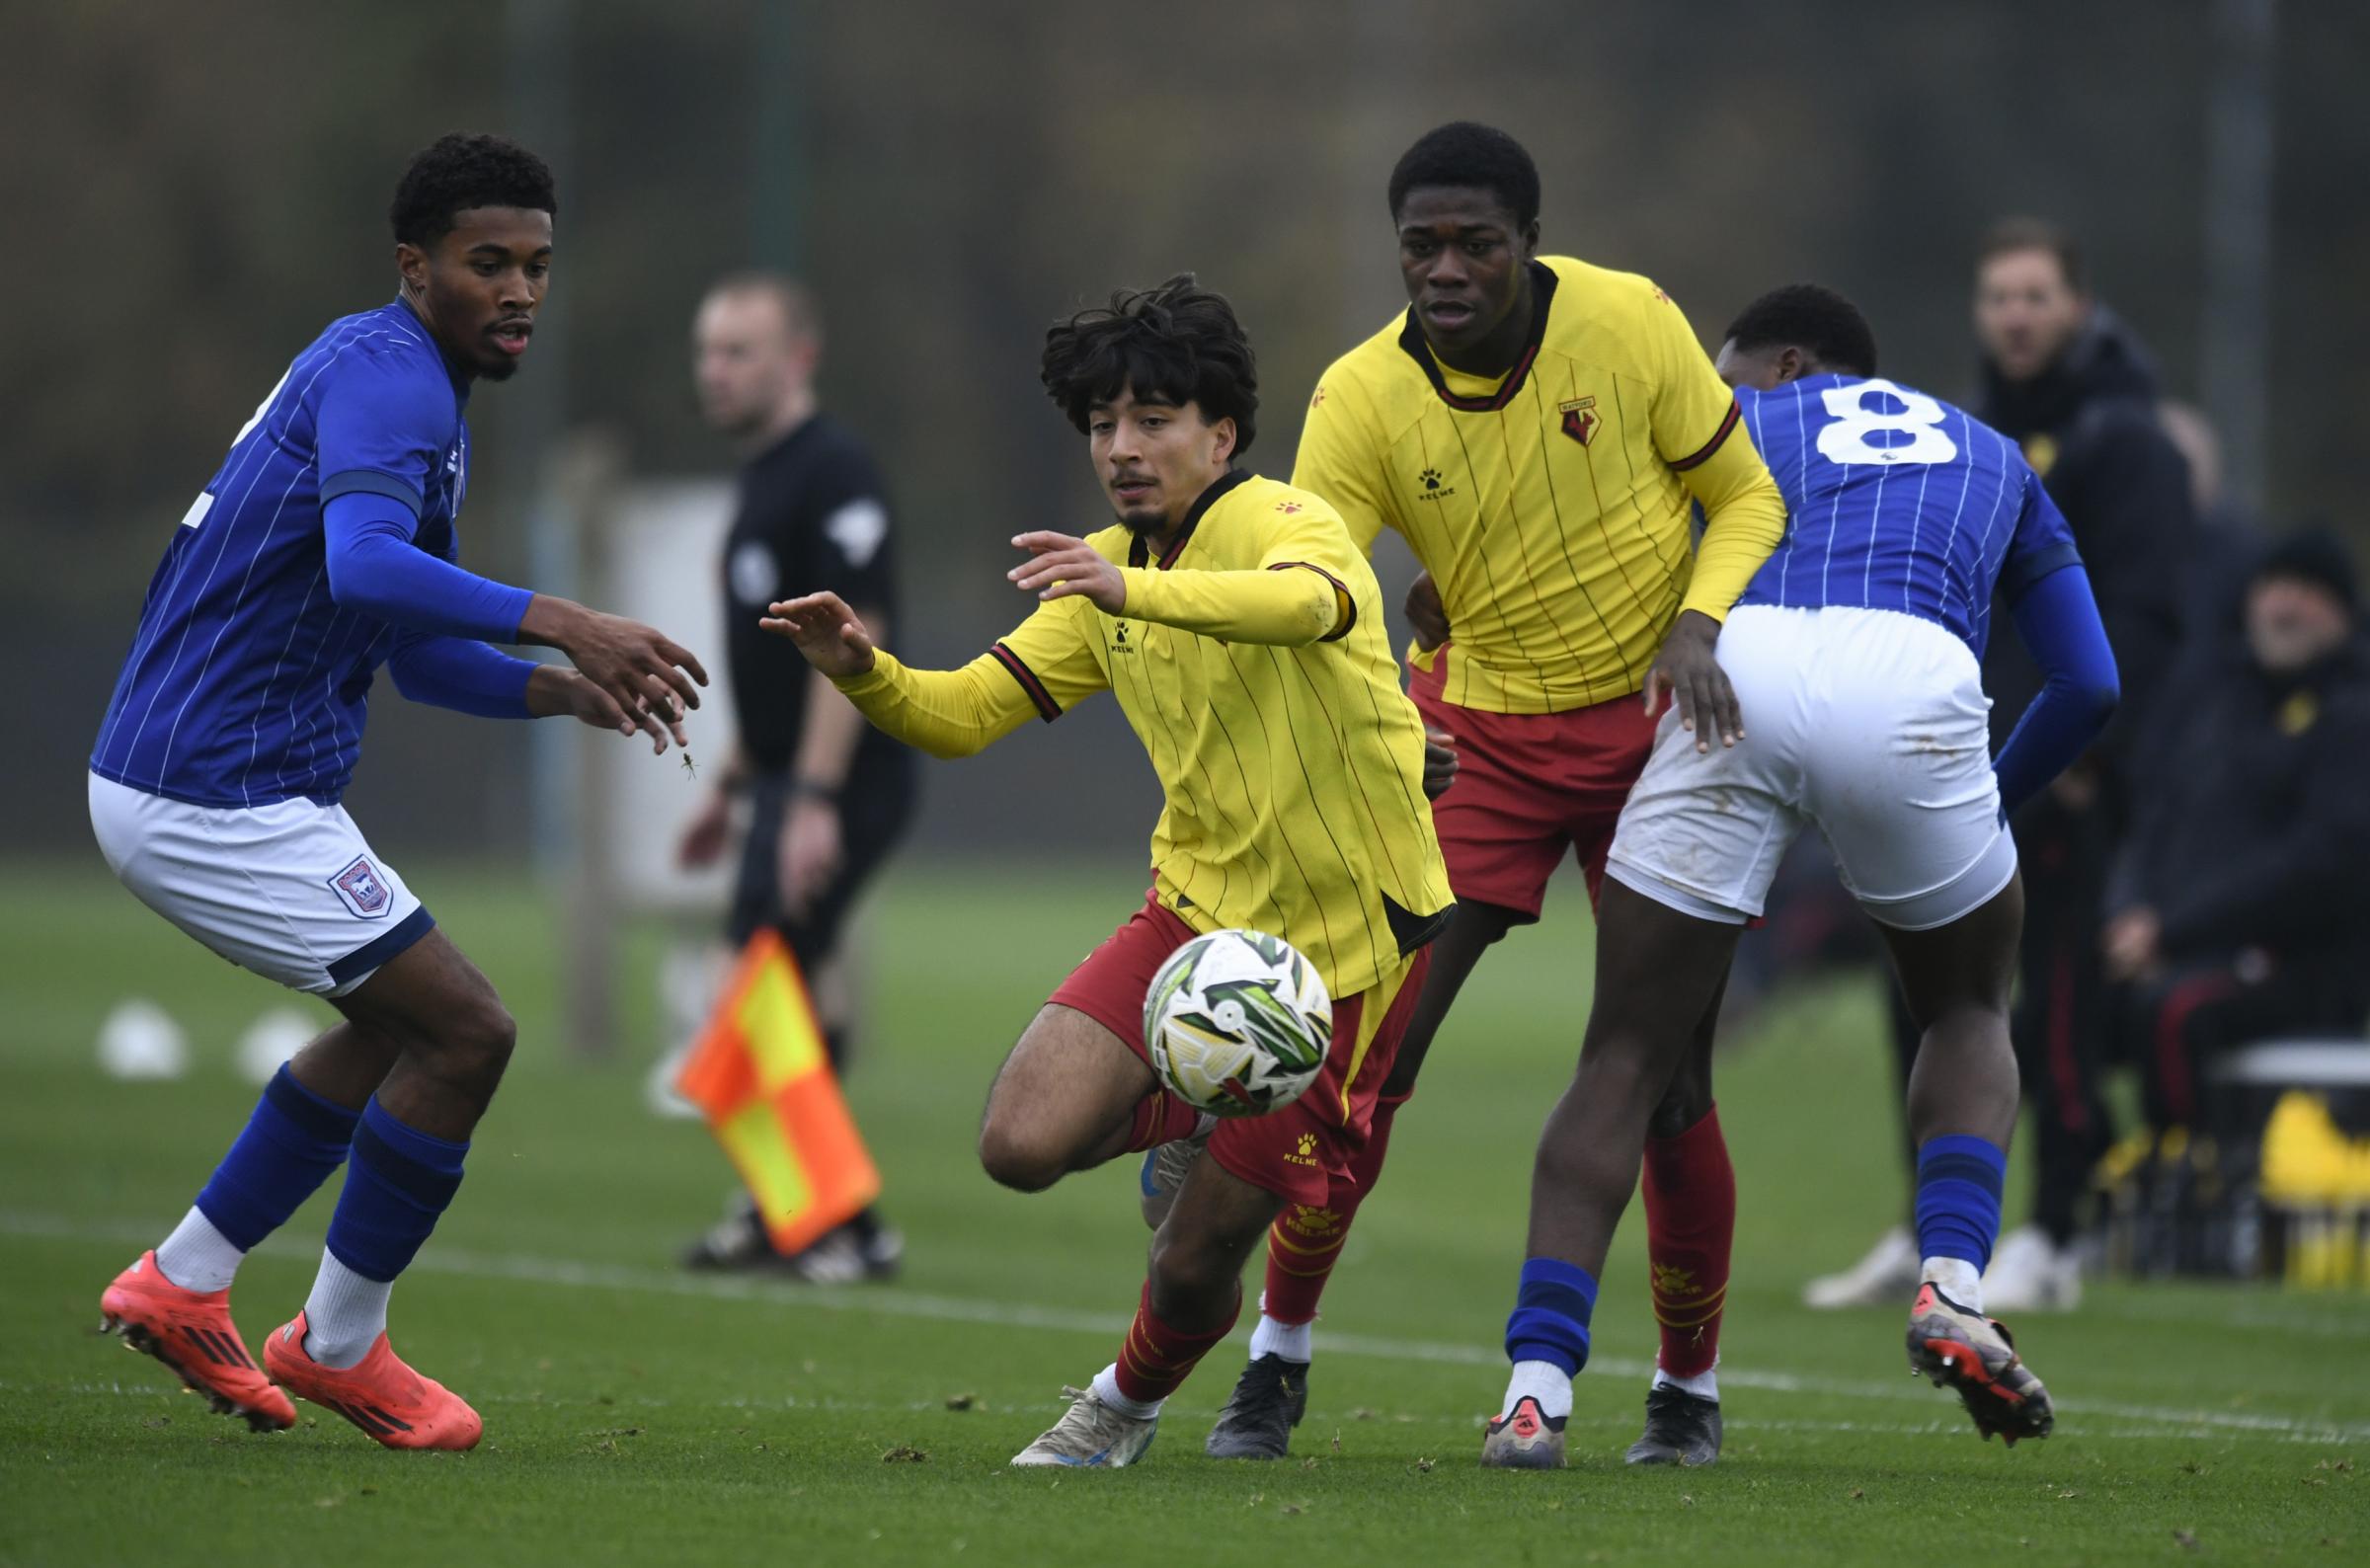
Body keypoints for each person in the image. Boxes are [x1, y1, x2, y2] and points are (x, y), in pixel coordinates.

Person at [759, 274, 1454, 1468]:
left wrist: (1131, 588)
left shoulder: (1287, 520)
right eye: (1101, 425)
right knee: (1019, 1144)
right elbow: (967, 712)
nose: (1122, 449)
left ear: (1221, 433)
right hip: (1192, 911)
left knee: (1191, 1260)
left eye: (1154, 419)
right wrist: (860, 665)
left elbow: (1311, 606)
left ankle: (1118, 1410)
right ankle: (1201, 1099)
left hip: (1344, 948)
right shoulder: (1098, 569)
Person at [86, 134, 707, 1450]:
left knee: (392, 1026)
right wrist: (564, 617)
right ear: (415, 266)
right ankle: (337, 1343)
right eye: (491, 263)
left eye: (539, 265)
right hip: (215, 784)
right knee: (468, 1032)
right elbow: (367, 569)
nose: (522, 291)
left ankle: (186, 1280)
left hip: (221, 779)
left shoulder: (398, 377)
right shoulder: (393, 387)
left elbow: (412, 654)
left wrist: (557, 688)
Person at [1196, 120, 1787, 1466]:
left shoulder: (1631, 322)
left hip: (1655, 738)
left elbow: (1746, 500)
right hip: (1477, 743)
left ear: (1530, 241)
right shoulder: (1359, 394)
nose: (1447, 268)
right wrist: (1400, 655)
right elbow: (1318, 592)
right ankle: (1275, 1362)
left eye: (1476, 242)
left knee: (1670, 1081)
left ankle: (1683, 1390)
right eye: (1422, 245)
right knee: (1365, 1058)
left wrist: (1696, 623)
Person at [1477, 284, 2119, 1468]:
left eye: (1728, 377)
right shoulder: (1994, 453)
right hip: (1917, 676)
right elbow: (2089, 682)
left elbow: (1576, 555)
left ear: (1782, 367)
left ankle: (1535, 1392)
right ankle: (1949, 1281)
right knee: (1970, 1005)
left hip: (1744, 664)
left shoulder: (1732, 429)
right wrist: (1988, 800)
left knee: (1624, 1054)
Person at [1806, 219, 2196, 1313]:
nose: (2014, 316)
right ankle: (1934, 1219)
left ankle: (2058, 1233)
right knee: (1920, 991)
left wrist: (2093, 755)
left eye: (2034, 296)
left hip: (2064, 769)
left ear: (2077, 305)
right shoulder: (1966, 433)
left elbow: (2155, 618)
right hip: (1949, 760)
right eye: (1997, 299)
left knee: (2054, 997)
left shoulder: (2129, 441)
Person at [674, 272, 914, 1281]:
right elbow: (771, 669)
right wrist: (732, 785)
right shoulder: (765, 474)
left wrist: (811, 800)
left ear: (798, 358)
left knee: (758, 986)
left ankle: (828, 1219)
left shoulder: (834, 469)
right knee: (789, 981)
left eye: (740, 352)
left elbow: (857, 639)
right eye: (708, 352)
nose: (716, 372)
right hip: (783, 782)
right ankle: (801, 1213)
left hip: (844, 778)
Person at [2107, 529, 2370, 1135]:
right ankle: (2076, 1197)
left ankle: (2199, 1184)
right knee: (2052, 1017)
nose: (2284, 606)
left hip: (2299, 966)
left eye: (2307, 593)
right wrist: (2129, 918)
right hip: (2182, 945)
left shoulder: (2352, 719)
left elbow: (2320, 867)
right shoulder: (2213, 703)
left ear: (2343, 613)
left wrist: (2171, 933)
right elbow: (2152, 820)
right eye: (2274, 587)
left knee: (2174, 1012)